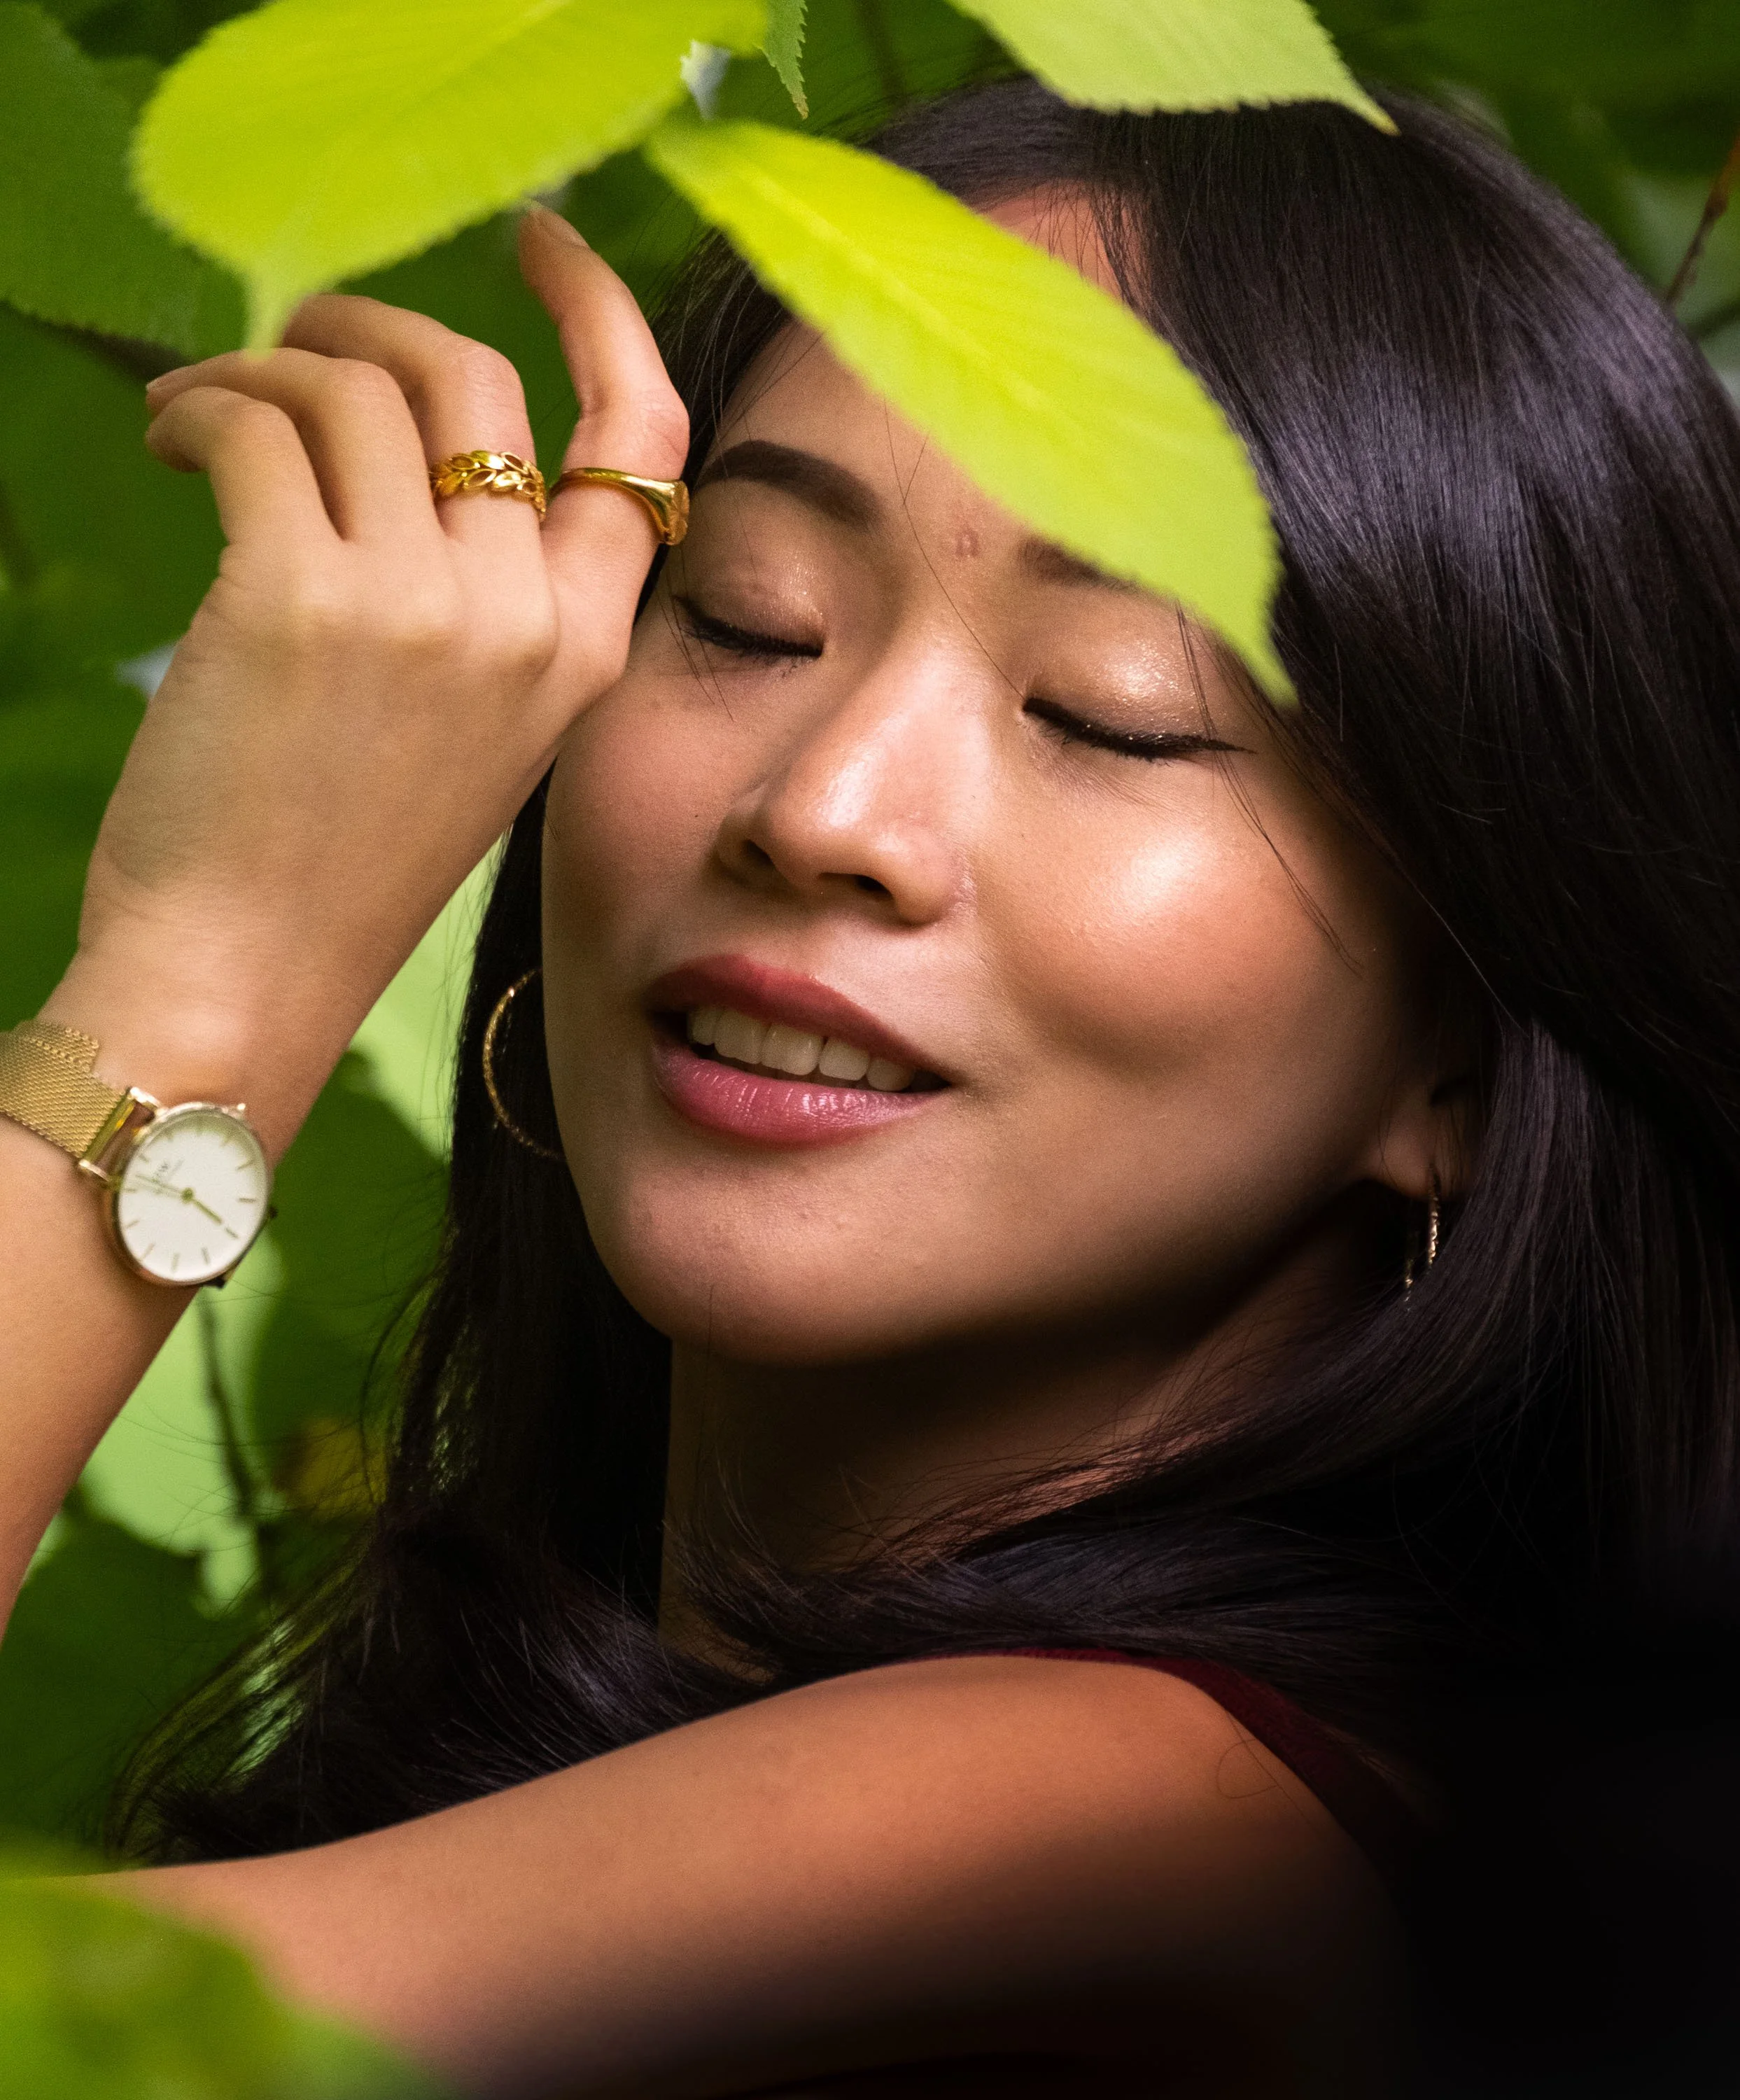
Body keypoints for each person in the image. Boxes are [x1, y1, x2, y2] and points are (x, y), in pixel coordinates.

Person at [3, 76, 1739, 2097]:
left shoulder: (1135, 1822)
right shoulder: (617, 1752)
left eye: (1119, 713)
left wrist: (206, 981)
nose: (826, 811)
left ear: (1457, 1056)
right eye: (743, 615)